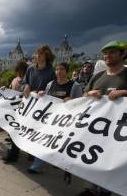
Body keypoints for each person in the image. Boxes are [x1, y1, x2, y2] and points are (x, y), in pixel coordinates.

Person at [76, 40, 127, 196]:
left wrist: (125, 94)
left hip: (119, 128)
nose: (107, 56)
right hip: (96, 126)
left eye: (112, 52)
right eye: (106, 53)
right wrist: (90, 93)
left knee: (110, 160)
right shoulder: (98, 76)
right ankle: (92, 188)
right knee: (92, 157)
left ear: (123, 54)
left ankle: (106, 190)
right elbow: (84, 97)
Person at [27, 62, 83, 173]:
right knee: (44, 140)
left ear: (67, 71)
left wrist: (72, 102)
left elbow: (81, 104)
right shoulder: (50, 84)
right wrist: (42, 94)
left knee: (60, 143)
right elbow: (47, 99)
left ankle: (59, 162)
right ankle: (36, 166)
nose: (58, 71)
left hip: (66, 122)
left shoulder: (75, 86)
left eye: (61, 69)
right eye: (57, 69)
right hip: (51, 120)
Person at [21, 45, 56, 173]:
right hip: (30, 106)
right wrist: (25, 86)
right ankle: (31, 153)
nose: (38, 55)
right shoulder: (30, 69)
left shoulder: (52, 71)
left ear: (47, 56)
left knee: (41, 134)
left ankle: (37, 165)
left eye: (41, 53)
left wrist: (46, 93)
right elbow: (24, 83)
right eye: (37, 53)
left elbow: (55, 88)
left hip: (44, 108)